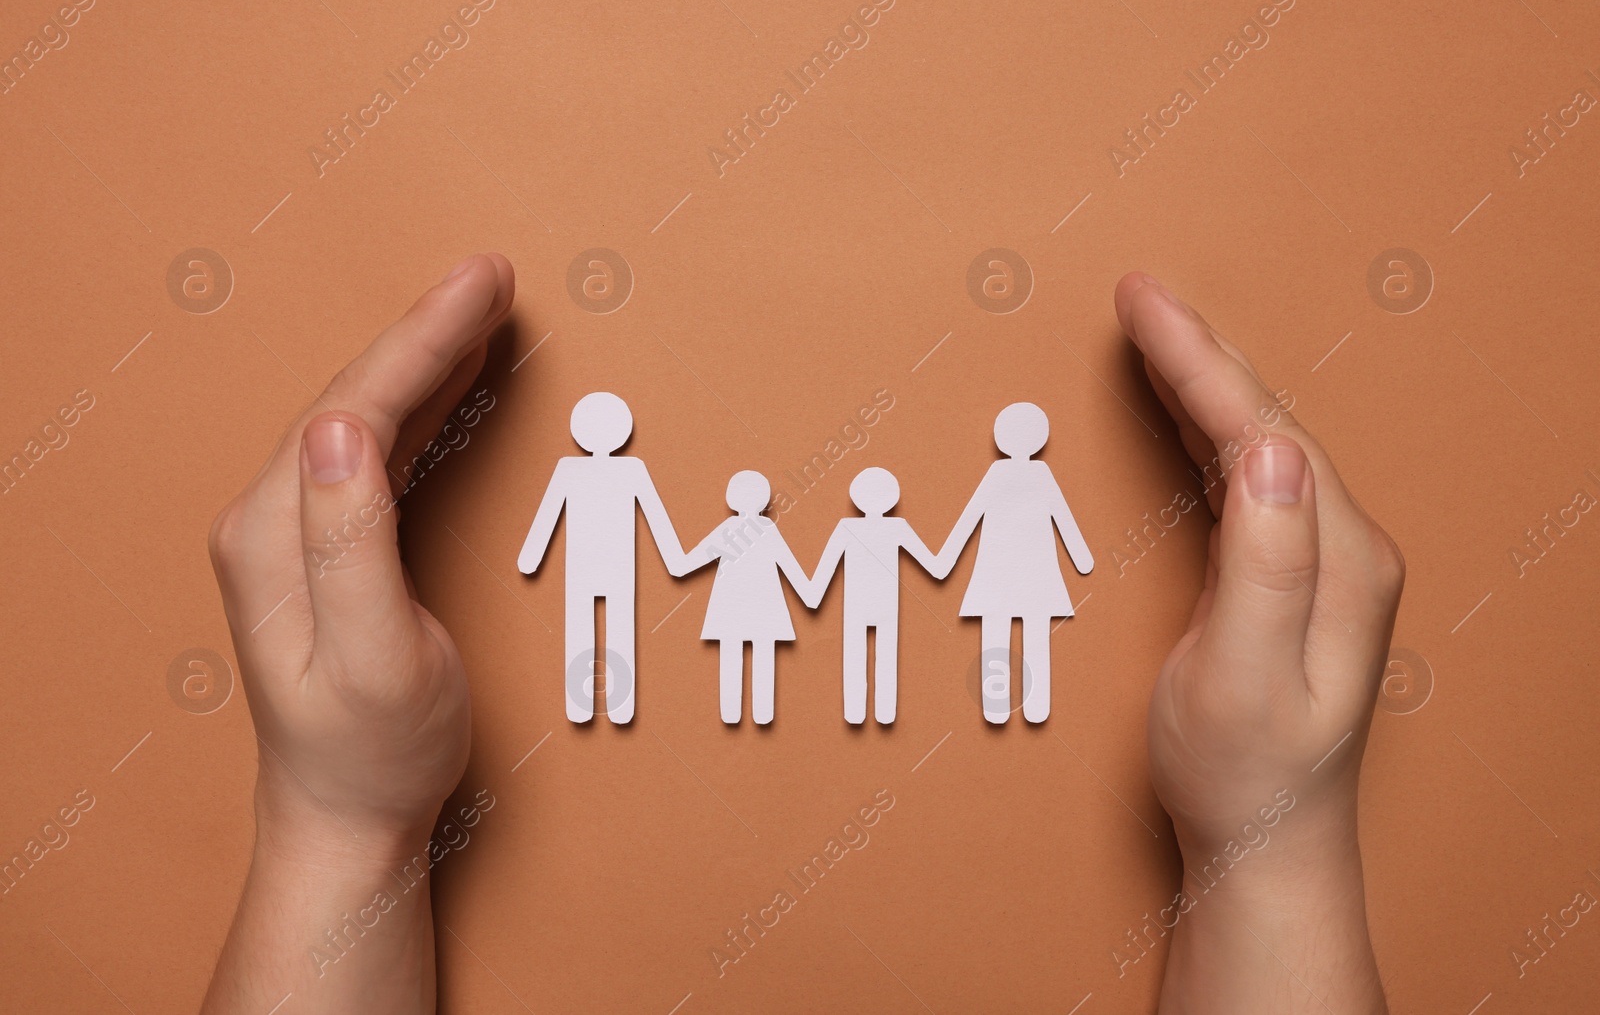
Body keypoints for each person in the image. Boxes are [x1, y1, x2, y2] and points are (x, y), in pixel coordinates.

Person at [200, 257, 1400, 1015]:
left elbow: (882, 540)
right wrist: (1270, 844)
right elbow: (677, 535)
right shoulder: (622, 491)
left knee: (983, 651)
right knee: (635, 643)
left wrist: (340, 822)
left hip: (914, 595)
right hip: (754, 602)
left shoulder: (993, 495)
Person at [517, 391, 691, 724]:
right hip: (615, 570)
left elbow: (548, 515)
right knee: (617, 631)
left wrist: (531, 557)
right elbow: (551, 512)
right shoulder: (625, 469)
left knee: (585, 631)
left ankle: (585, 707)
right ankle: (615, 708)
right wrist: (674, 558)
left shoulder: (575, 469)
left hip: (592, 570)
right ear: (623, 431)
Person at [935, 401, 1094, 724]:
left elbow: (971, 517)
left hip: (999, 573)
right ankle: (1032, 708)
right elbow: (1061, 516)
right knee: (1034, 635)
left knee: (997, 631)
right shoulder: (1036, 473)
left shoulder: (1004, 473)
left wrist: (946, 557)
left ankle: (1000, 706)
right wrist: (1080, 557)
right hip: (1034, 575)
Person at [806, 467, 942, 725]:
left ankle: (857, 713)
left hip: (859, 606)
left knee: (856, 656)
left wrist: (809, 593)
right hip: (884, 605)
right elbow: (934, 565)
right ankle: (883, 713)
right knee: (885, 657)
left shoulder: (848, 527)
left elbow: (823, 573)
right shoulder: (895, 527)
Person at [680, 470, 813, 725]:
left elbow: (691, 562)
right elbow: (790, 567)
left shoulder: (731, 528)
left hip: (731, 607)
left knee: (732, 653)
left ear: (732, 498)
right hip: (765, 608)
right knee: (762, 654)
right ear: (763, 500)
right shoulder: (766, 528)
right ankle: (762, 714)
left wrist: (672, 555)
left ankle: (732, 713)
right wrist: (810, 592)